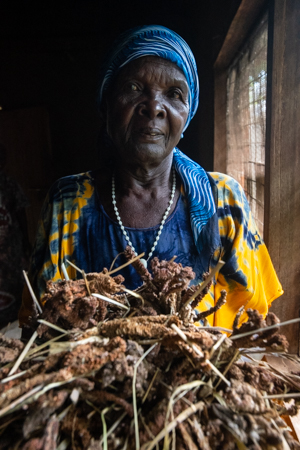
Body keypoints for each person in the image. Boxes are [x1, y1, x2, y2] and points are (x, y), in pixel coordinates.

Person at [19, 25, 283, 330]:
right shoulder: (67, 203)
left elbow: (254, 325)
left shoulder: (223, 200)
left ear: (187, 115)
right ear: (107, 106)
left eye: (174, 94)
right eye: (133, 88)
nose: (154, 107)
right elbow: (39, 325)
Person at [0, 143, 31, 324]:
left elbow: (20, 212)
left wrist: (26, 242)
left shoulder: (8, 183)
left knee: (15, 286)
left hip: (10, 248)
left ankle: (14, 326)